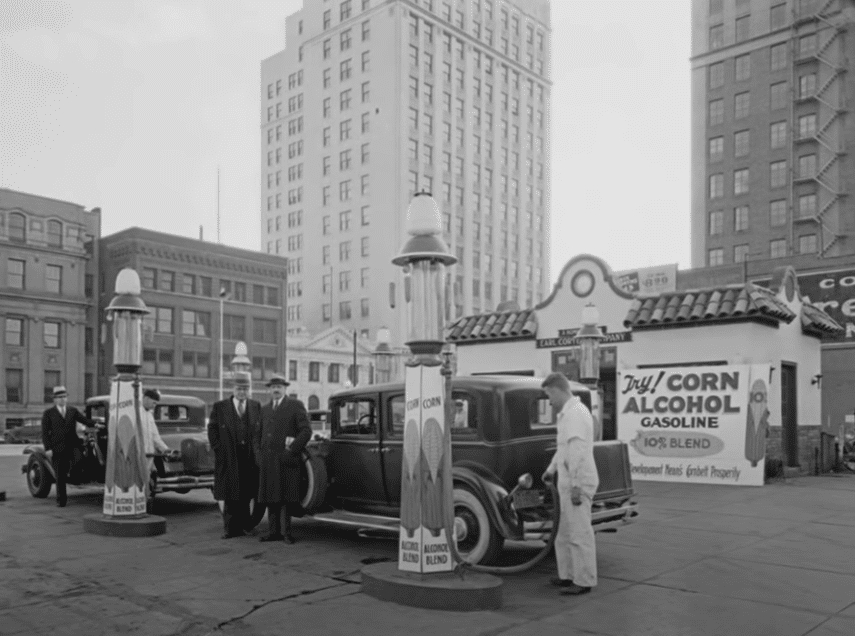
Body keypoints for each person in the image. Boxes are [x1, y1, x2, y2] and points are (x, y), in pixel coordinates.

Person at [540, 372, 600, 596]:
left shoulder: (575, 414)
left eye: (549, 395)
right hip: (567, 481)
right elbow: (563, 448)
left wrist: (576, 484)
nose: (549, 401)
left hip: (578, 481)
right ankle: (567, 575)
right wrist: (551, 470)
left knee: (579, 533)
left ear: (556, 390)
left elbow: (577, 451)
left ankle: (584, 580)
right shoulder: (568, 413)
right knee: (564, 533)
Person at [254, 373, 311, 544]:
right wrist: (258, 455)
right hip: (268, 461)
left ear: (285, 389)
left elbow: (306, 431)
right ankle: (273, 532)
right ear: (269, 390)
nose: (276, 390)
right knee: (271, 497)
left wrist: (292, 450)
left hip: (287, 460)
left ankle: (286, 533)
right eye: (273, 387)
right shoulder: (264, 409)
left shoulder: (295, 405)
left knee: (286, 498)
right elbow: (256, 435)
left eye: (279, 387)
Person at [208, 372, 262, 539]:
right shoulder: (220, 406)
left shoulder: (255, 405)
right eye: (239, 389)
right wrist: (220, 450)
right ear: (233, 389)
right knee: (231, 495)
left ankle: (246, 526)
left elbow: (259, 430)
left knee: (246, 494)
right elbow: (212, 430)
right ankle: (231, 529)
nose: (242, 392)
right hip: (229, 456)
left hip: (248, 457)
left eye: (245, 389)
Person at [40, 386, 96, 507]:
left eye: (64, 397)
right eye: (60, 397)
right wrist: (48, 449)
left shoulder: (72, 410)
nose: (62, 399)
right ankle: (61, 500)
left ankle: (74, 476)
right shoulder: (48, 413)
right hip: (57, 448)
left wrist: (96, 424)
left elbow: (85, 420)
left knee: (79, 459)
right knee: (60, 475)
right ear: (55, 399)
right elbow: (45, 433)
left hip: (73, 445)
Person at [141, 388, 171, 482]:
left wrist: (165, 449)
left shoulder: (149, 415)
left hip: (149, 455)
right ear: (146, 398)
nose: (154, 406)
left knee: (145, 479)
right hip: (138, 454)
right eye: (153, 403)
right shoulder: (135, 413)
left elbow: (155, 436)